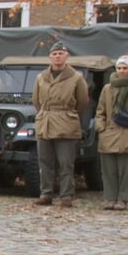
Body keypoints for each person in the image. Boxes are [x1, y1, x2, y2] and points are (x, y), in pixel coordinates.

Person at [32, 41, 90, 208]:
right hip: (45, 122)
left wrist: (67, 113)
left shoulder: (76, 77)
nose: (57, 56)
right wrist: (45, 113)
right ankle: (46, 193)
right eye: (54, 54)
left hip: (66, 123)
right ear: (50, 57)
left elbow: (83, 101)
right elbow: (36, 101)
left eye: (60, 53)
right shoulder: (41, 77)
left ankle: (66, 195)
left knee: (66, 163)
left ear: (67, 56)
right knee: (45, 162)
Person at [94, 55, 128, 211]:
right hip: (109, 133)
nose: (122, 71)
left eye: (125, 68)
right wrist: (100, 127)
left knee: (127, 170)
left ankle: (123, 199)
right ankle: (110, 198)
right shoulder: (107, 88)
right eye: (119, 68)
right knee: (109, 170)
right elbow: (100, 110)